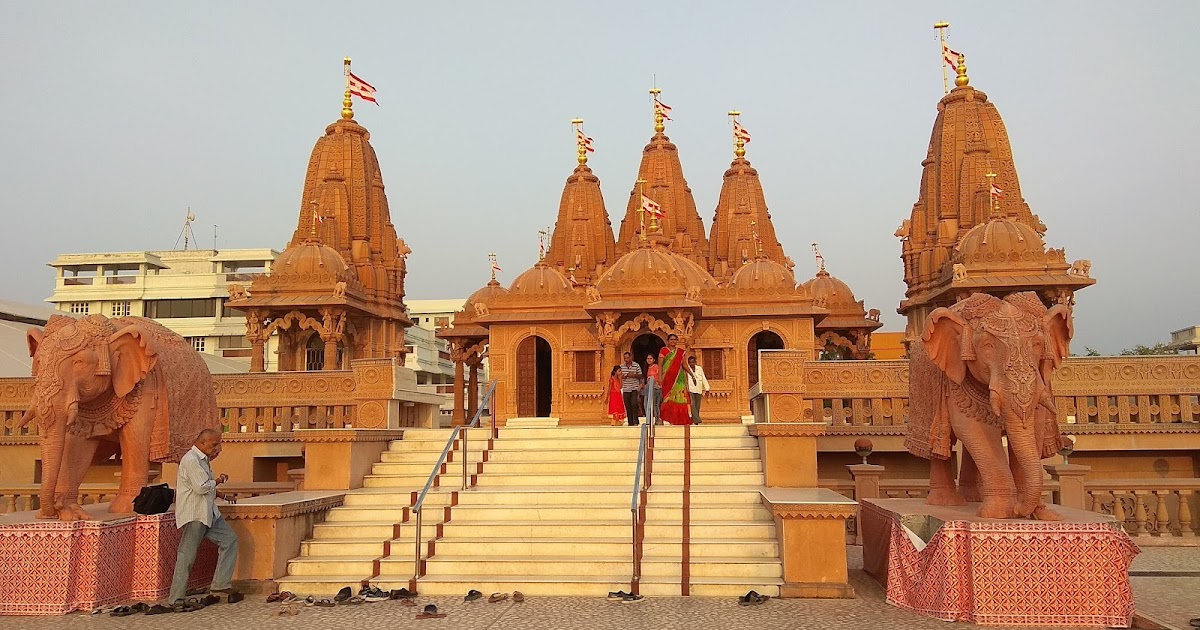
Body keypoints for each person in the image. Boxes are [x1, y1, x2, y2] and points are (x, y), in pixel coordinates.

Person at [169, 428, 240, 606]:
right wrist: (219, 480)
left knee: (230, 540)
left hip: (209, 513)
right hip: (195, 515)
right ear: (202, 443)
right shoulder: (191, 460)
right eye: (214, 444)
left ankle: (220, 585)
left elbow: (207, 488)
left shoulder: (203, 461)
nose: (218, 448)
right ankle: (176, 598)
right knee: (187, 555)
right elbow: (202, 487)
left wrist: (223, 496)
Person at [657, 333, 696, 426]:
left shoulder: (681, 352)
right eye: (671, 339)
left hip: (679, 379)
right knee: (666, 398)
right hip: (667, 378)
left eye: (675, 339)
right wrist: (659, 378)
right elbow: (660, 365)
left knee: (680, 398)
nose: (673, 341)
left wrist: (692, 375)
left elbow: (684, 365)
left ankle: (680, 419)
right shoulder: (664, 350)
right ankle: (664, 418)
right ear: (668, 341)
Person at [619, 352, 643, 426]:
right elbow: (617, 375)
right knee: (628, 405)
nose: (626, 359)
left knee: (634, 403)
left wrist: (633, 375)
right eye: (625, 358)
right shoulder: (621, 366)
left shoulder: (636, 365)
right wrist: (622, 376)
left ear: (631, 357)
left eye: (627, 358)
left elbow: (641, 375)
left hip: (634, 388)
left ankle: (635, 420)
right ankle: (630, 422)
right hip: (626, 388)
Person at [686, 354, 711, 425]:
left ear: (695, 362)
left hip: (698, 389)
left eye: (693, 362)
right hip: (690, 390)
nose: (691, 364)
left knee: (697, 405)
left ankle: (694, 420)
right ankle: (697, 419)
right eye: (690, 362)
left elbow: (703, 378)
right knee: (692, 404)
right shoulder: (687, 369)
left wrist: (707, 388)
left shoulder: (699, 369)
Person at [643, 353, 661, 424]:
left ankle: (657, 420)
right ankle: (649, 420)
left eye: (650, 358)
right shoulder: (648, 367)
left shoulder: (656, 366)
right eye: (648, 359)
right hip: (649, 388)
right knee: (646, 404)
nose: (649, 360)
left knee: (655, 404)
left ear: (654, 360)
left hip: (656, 387)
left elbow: (660, 375)